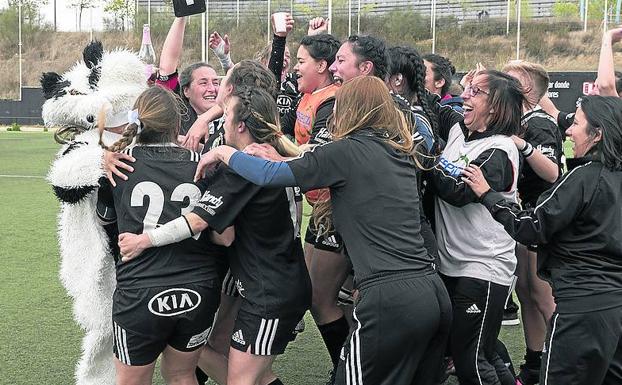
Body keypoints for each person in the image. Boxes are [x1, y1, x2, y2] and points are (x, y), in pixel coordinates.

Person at [195, 76, 453, 385]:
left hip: (389, 298)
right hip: (432, 291)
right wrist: (287, 158)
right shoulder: (397, 151)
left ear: (348, 110)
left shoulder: (346, 151)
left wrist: (223, 153)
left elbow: (268, 175)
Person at [118, 86, 311, 385]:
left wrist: (144, 240)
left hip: (269, 292)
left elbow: (207, 229)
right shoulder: (268, 154)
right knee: (236, 370)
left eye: (227, 115)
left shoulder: (243, 167)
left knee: (241, 380)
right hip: (274, 282)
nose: (221, 123)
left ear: (241, 125)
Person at [462, 95, 622, 385]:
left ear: (597, 134)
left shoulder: (585, 177)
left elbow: (532, 227)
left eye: (576, 124)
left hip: (582, 307)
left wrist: (488, 195)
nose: (569, 131)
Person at [97, 86, 229, 385]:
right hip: (199, 288)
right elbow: (223, 235)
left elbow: (104, 222)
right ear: (176, 123)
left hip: (140, 291)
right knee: (182, 375)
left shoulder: (117, 165)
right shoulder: (205, 164)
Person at [42, 40, 147, 385]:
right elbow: (64, 182)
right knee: (105, 329)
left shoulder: (148, 137)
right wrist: (100, 161)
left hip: (150, 249)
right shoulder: (86, 143)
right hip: (105, 254)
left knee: (159, 331)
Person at [430, 69, 524, 385]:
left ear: (495, 107)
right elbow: (429, 100)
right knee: (482, 351)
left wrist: (424, 159)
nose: (465, 95)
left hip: (483, 268)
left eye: (476, 92)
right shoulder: (460, 129)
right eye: (468, 88)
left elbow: (457, 192)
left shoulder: (499, 149)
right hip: (452, 266)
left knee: (470, 361)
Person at [502, 60, 563, 385]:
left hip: (544, 218)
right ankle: (535, 362)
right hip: (528, 217)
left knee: (541, 295)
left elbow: (553, 173)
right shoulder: (523, 120)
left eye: (509, 79)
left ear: (526, 88)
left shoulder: (537, 123)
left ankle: (566, 359)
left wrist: (522, 145)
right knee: (526, 292)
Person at [156, 17, 222, 146]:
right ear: (186, 91)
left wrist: (205, 118)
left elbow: (242, 94)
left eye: (215, 83)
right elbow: (167, 65)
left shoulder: (230, 116)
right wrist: (182, 16)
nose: (212, 89)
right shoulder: (179, 114)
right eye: (203, 83)